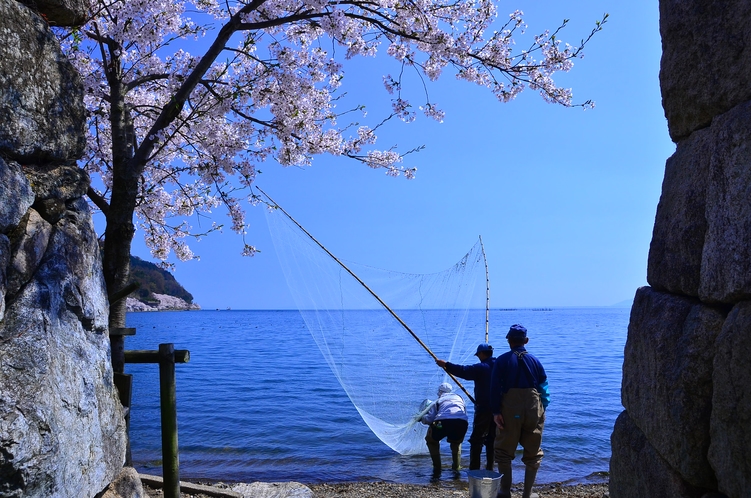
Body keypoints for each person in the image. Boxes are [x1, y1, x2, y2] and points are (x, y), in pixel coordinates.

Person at [490, 324, 550, 498]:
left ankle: (505, 491)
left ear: (509, 341)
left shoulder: (501, 361)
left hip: (509, 409)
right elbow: (544, 388)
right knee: (533, 450)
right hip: (533, 408)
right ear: (526, 341)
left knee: (503, 451)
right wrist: (542, 409)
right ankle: (528, 493)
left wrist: (495, 412)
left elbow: (494, 389)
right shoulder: (536, 361)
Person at [435, 343, 496, 470]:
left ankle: (474, 470)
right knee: (492, 439)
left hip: (484, 409)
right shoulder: (500, 365)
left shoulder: (481, 367)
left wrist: (445, 365)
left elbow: (463, 371)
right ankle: (490, 468)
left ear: (481, 354)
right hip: (499, 409)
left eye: (478, 355)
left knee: (476, 440)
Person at [420, 382, 469, 476]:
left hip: (441, 423)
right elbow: (464, 413)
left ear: (440, 392)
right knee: (456, 443)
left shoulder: (438, 400)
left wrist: (421, 418)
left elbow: (430, 419)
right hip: (461, 423)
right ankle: (456, 467)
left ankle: (437, 467)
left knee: (431, 441)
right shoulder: (460, 398)